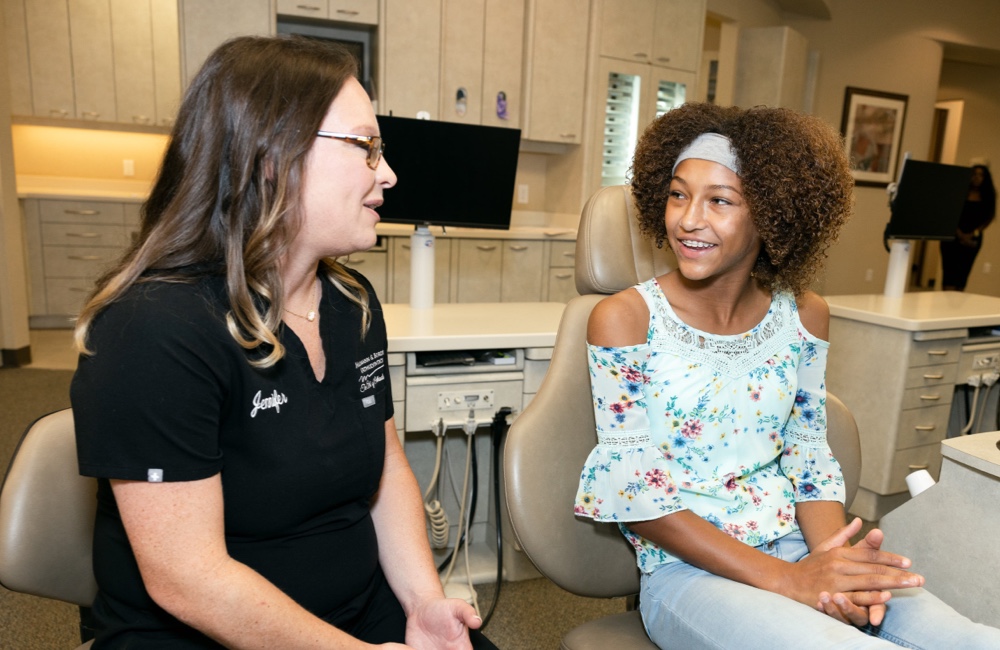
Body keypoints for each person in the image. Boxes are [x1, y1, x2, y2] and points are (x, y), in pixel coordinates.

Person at [70, 35, 492, 649]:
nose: (389, 174)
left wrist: (424, 602)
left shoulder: (352, 305)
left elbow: (388, 467)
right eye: (366, 148)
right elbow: (188, 580)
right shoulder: (155, 329)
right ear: (271, 155)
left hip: (354, 610)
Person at [574, 102, 1000, 648]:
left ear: (772, 214)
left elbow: (808, 449)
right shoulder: (624, 319)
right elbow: (633, 490)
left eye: (720, 201)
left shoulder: (802, 315)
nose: (687, 219)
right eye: (678, 194)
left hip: (798, 544)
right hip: (689, 575)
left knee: (971, 640)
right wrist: (788, 580)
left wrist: (829, 561)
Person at [940, 163, 996, 291]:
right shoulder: (959, 192)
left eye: (980, 175)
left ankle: (957, 307)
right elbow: (950, 213)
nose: (976, 178)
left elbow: (988, 218)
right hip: (952, 237)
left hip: (972, 240)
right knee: (949, 273)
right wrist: (959, 234)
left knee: (962, 274)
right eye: (974, 174)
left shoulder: (988, 197)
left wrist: (971, 235)